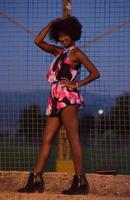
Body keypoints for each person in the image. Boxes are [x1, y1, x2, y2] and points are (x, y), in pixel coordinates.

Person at [18, 16, 100, 195]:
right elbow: (37, 41)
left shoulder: (76, 53)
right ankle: (35, 179)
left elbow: (95, 72)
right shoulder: (58, 52)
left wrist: (76, 85)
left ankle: (80, 181)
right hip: (55, 97)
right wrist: (51, 24)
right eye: (60, 35)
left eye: (66, 35)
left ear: (73, 34)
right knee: (47, 138)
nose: (63, 39)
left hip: (68, 97)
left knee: (73, 138)